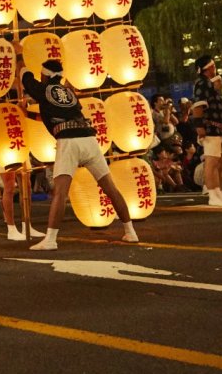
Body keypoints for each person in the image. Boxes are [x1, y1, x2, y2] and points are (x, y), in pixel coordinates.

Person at [25, 62, 138, 250]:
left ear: (45, 75)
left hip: (69, 142)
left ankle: (51, 239)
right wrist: (29, 115)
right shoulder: (69, 93)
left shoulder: (43, 88)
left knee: (60, 192)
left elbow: (25, 76)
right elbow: (58, 114)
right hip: (89, 140)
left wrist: (19, 52)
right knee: (110, 188)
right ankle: (130, 231)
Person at [191, 56, 222, 206]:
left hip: (216, 128)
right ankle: (212, 194)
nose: (215, 69)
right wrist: (200, 127)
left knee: (216, 162)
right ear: (209, 68)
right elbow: (197, 106)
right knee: (211, 162)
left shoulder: (208, 84)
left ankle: (217, 192)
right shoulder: (202, 83)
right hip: (210, 127)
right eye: (214, 66)